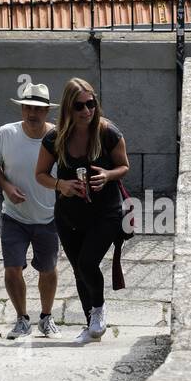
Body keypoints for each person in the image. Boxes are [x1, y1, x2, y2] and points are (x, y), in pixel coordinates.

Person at [34, 79, 131, 344]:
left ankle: (98, 310)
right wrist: (60, 184)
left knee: (88, 263)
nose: (87, 111)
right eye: (79, 106)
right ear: (68, 108)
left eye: (91, 104)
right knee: (79, 270)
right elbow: (40, 174)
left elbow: (124, 166)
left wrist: (108, 175)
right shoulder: (55, 138)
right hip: (69, 216)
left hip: (106, 213)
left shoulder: (108, 132)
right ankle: (92, 327)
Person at [0, 81, 60, 338]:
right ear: (21, 109)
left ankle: (46, 317)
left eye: (38, 109)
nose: (32, 113)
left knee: (48, 269)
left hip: (48, 216)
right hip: (14, 215)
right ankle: (21, 318)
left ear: (47, 111)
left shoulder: (58, 138)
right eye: (28, 107)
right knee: (12, 268)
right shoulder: (6, 133)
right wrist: (7, 186)